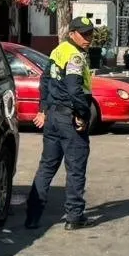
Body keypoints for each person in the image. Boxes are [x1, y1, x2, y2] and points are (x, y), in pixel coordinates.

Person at [25, 19, 95, 230]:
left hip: (54, 118)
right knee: (75, 168)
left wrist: (44, 109)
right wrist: (82, 113)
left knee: (47, 166)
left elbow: (44, 81)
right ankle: (74, 217)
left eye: (90, 34)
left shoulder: (58, 51)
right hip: (69, 119)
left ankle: (32, 216)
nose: (88, 39)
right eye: (84, 34)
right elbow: (74, 90)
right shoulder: (74, 56)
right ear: (72, 33)